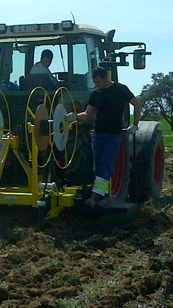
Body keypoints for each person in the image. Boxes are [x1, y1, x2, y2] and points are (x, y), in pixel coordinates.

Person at [66, 66, 140, 207]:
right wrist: (74, 116)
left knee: (106, 164)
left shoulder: (120, 89)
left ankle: (95, 197)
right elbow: (88, 114)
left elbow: (137, 104)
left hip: (113, 134)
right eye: (95, 82)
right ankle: (103, 195)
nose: (96, 85)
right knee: (97, 167)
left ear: (106, 78)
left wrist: (135, 124)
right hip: (97, 134)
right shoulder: (96, 94)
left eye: (98, 82)